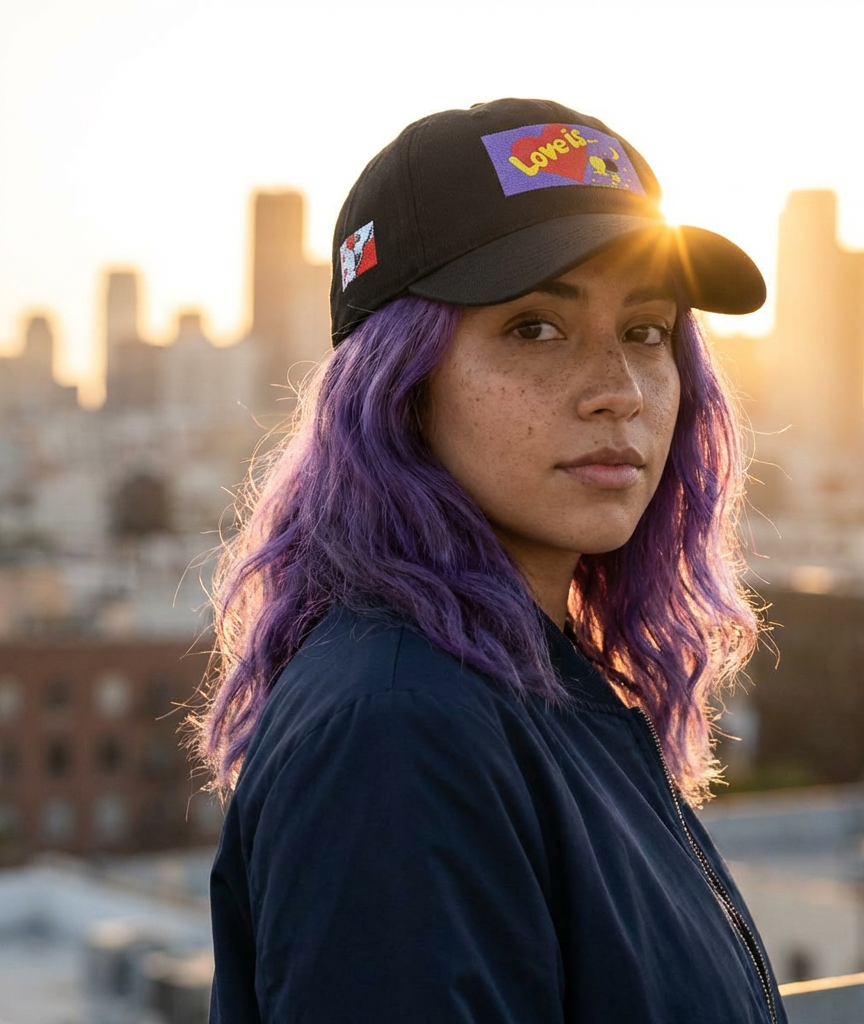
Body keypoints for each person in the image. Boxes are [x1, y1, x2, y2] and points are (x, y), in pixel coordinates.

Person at [197, 97, 786, 1023]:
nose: (620, 392)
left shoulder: (530, 677)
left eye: (645, 330)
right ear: (400, 387)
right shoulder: (396, 731)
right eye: (534, 329)